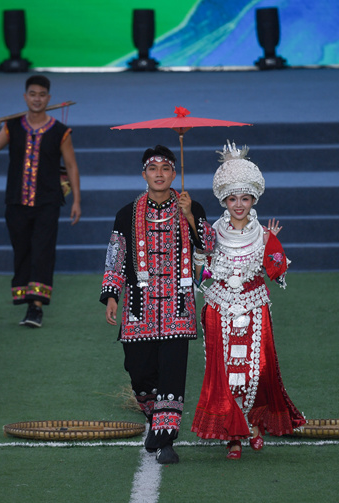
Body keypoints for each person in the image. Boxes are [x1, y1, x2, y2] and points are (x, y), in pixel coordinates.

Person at [101, 145, 215, 464]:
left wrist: (191, 214)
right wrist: (111, 294)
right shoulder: (127, 213)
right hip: (139, 307)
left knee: (172, 373)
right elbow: (116, 255)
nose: (160, 174)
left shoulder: (190, 207)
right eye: (154, 169)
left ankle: (165, 438)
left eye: (166, 168)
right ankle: (155, 418)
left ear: (174, 173)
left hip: (178, 308)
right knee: (138, 372)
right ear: (144, 175)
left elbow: (208, 248)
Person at [191, 142, 305, 460]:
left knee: (256, 370)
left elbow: (276, 270)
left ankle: (255, 424)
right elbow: (202, 274)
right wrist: (200, 252)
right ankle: (233, 435)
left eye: (244, 198)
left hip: (254, 306)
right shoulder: (212, 232)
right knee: (225, 372)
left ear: (253, 198)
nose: (238, 204)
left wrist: (274, 246)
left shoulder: (263, 234)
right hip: (219, 308)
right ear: (224, 200)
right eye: (232, 198)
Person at [0, 74, 81, 328]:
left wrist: (77, 200)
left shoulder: (60, 131)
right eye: (32, 94)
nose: (37, 99)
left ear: (48, 98)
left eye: (42, 94)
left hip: (47, 202)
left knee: (42, 251)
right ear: (25, 97)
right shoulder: (12, 126)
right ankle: (26, 298)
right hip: (16, 201)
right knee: (22, 250)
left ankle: (35, 307)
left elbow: (71, 166)